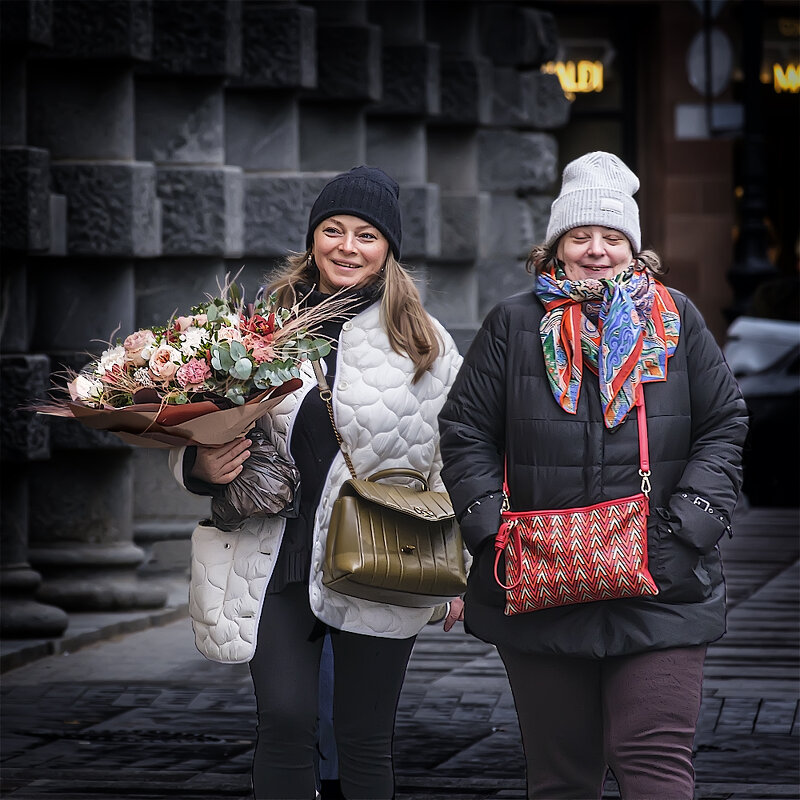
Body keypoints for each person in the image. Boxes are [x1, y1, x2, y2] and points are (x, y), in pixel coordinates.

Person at [437, 151, 748, 800]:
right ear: (556, 247)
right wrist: (493, 535)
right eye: (581, 236)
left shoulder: (675, 320)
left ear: (634, 248)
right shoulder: (513, 325)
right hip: (541, 580)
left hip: (661, 584)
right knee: (562, 778)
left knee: (654, 762)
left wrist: (684, 532)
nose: (597, 251)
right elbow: (465, 432)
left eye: (612, 237)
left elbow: (722, 424)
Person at [169, 166, 464, 800]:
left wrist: (457, 560)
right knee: (283, 720)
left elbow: (453, 457)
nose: (347, 247)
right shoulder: (254, 330)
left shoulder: (426, 343)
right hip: (273, 556)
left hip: (385, 553)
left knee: (364, 734)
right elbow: (198, 425)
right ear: (313, 240)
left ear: (389, 250)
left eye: (366, 234)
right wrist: (198, 469)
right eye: (333, 230)